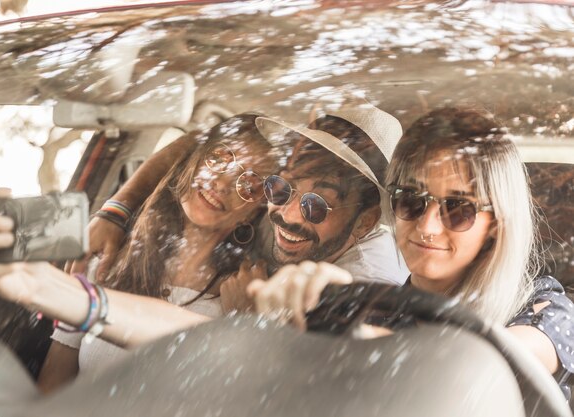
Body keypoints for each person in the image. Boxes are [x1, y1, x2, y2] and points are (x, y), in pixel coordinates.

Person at [248, 107, 574, 396]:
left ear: (495, 224)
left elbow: (501, 355)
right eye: (410, 200)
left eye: (458, 208)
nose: (427, 227)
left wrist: (361, 337)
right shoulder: (375, 308)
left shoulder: (545, 309)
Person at [79, 105, 409, 314]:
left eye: (316, 207)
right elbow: (198, 144)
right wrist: (117, 209)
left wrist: (248, 323)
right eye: (281, 188)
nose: (289, 215)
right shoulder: (265, 213)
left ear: (364, 223)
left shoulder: (364, 287)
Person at [39, 113, 279, 392]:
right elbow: (50, 389)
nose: (222, 183)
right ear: (192, 163)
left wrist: (246, 329)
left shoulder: (241, 301)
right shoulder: (106, 264)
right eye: (218, 159)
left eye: (248, 185)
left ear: (252, 213)